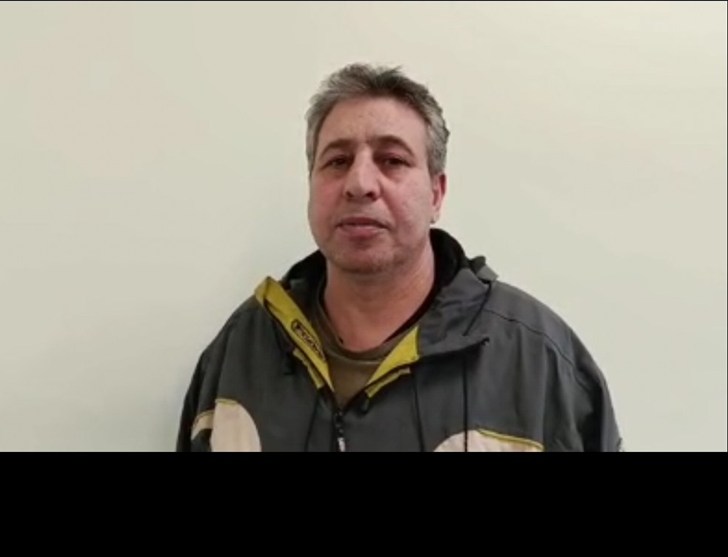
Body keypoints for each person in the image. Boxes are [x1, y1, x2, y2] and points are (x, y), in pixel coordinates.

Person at [176, 63, 622, 452]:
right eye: (337, 161)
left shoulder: (540, 361)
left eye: (391, 160)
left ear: (436, 193)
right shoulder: (240, 350)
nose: (359, 184)